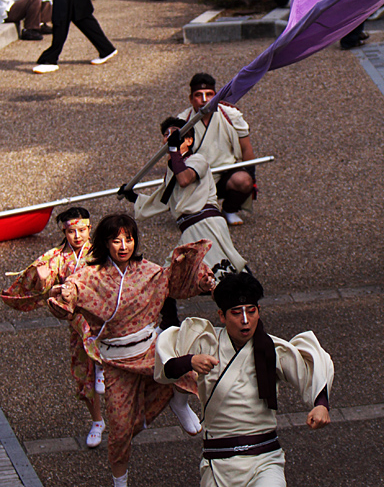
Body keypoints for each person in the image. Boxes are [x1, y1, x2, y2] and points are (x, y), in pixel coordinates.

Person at [48, 213, 215, 487]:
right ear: (105, 243)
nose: (123, 246)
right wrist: (65, 296)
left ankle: (179, 400)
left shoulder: (148, 270)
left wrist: (201, 282)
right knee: (121, 430)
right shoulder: (91, 275)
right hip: (116, 360)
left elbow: (174, 282)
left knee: (188, 366)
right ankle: (120, 482)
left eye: (129, 239)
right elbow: (70, 292)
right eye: (116, 240)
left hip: (150, 348)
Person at [154, 272, 333, 487]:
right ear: (222, 315)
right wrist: (190, 361)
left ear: (258, 312)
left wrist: (321, 405)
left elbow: (310, 367)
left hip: (265, 460)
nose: (245, 320)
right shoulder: (206, 342)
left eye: (251, 311)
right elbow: (166, 369)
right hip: (218, 461)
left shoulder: (272, 349)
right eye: (237, 313)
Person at [1, 207, 105, 448]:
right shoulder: (57, 256)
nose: (77, 236)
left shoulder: (101, 251)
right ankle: (97, 421)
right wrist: (43, 277)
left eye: (81, 230)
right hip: (76, 320)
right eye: (71, 231)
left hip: (102, 319)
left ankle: (130, 414)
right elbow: (37, 284)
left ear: (90, 229)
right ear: (64, 232)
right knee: (82, 373)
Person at [121, 116, 248, 282]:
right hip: (190, 228)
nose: (168, 137)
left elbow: (185, 179)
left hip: (206, 225)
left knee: (223, 269)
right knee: (178, 272)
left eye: (174, 134)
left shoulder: (197, 160)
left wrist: (174, 151)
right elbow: (164, 200)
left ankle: (245, 297)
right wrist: (134, 197)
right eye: (166, 134)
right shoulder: (172, 170)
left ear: (188, 140)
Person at [179, 72, 257, 226]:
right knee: (198, 218)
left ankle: (229, 209)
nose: (204, 100)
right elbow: (177, 158)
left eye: (209, 94)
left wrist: (251, 176)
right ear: (190, 99)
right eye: (198, 95)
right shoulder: (182, 122)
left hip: (227, 172)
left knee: (243, 181)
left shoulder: (231, 115)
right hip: (197, 178)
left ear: (216, 96)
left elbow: (246, 148)